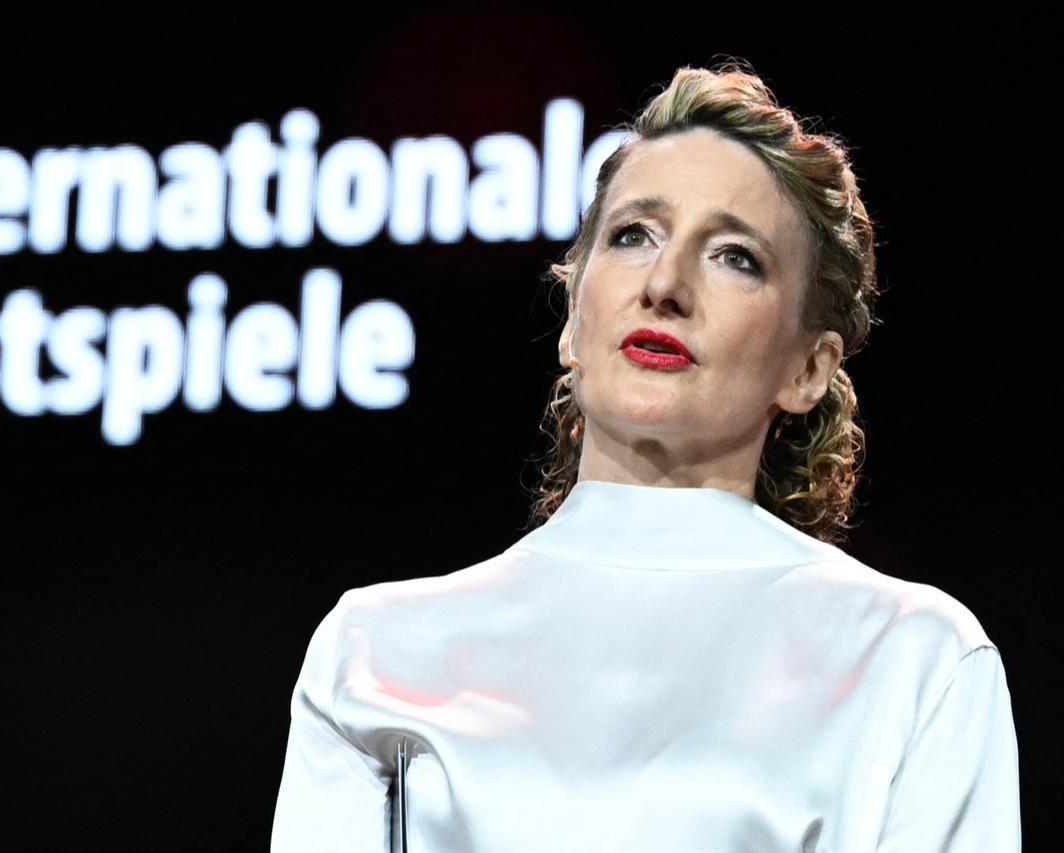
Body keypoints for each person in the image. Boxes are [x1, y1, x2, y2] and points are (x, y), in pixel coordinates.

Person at [270, 61, 1021, 852]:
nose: (665, 283)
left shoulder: (915, 660)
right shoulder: (376, 652)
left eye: (735, 255)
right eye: (633, 235)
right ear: (571, 318)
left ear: (809, 368)